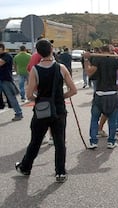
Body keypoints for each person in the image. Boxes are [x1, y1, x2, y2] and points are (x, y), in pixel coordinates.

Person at [15, 39, 77, 183]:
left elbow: (29, 95)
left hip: (42, 110)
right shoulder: (61, 68)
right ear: (52, 49)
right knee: (59, 141)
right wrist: (60, 98)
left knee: (35, 141)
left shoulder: (35, 70)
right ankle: (60, 172)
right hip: (59, 110)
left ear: (37, 52)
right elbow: (73, 90)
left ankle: (25, 167)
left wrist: (40, 100)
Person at [84, 45, 118, 149]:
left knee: (94, 119)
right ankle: (111, 141)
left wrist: (86, 59)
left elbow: (89, 72)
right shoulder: (114, 60)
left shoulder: (97, 59)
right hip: (112, 94)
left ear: (100, 50)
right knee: (112, 120)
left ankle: (93, 142)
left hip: (99, 93)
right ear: (109, 51)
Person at [0, 43, 23, 121]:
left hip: (5, 80)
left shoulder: (7, 56)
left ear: (2, 48)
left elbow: (1, 62)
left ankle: (18, 113)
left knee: (11, 98)